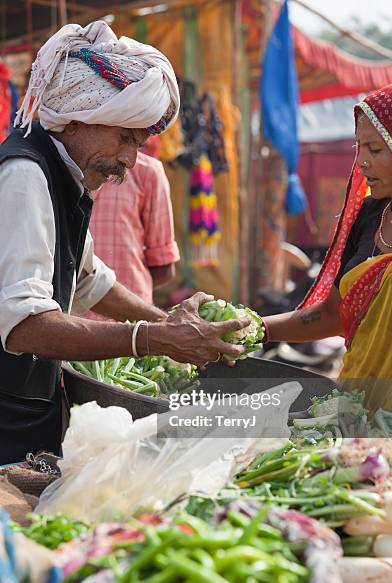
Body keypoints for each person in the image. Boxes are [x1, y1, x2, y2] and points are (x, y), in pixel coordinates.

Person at [0, 21, 250, 464]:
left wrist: (167, 323)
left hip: (26, 402)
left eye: (138, 143)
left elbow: (90, 280)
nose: (131, 160)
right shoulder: (25, 175)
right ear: (77, 120)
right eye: (125, 138)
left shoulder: (65, 174)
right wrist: (153, 339)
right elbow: (23, 324)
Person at [263, 82, 392, 411]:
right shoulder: (370, 216)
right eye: (359, 148)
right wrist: (256, 329)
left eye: (374, 149)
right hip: (358, 401)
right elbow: (332, 314)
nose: (362, 163)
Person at [89, 150, 179, 305]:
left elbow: (164, 268)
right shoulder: (57, 168)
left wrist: (123, 300)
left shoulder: (147, 171)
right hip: (72, 319)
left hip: (129, 318)